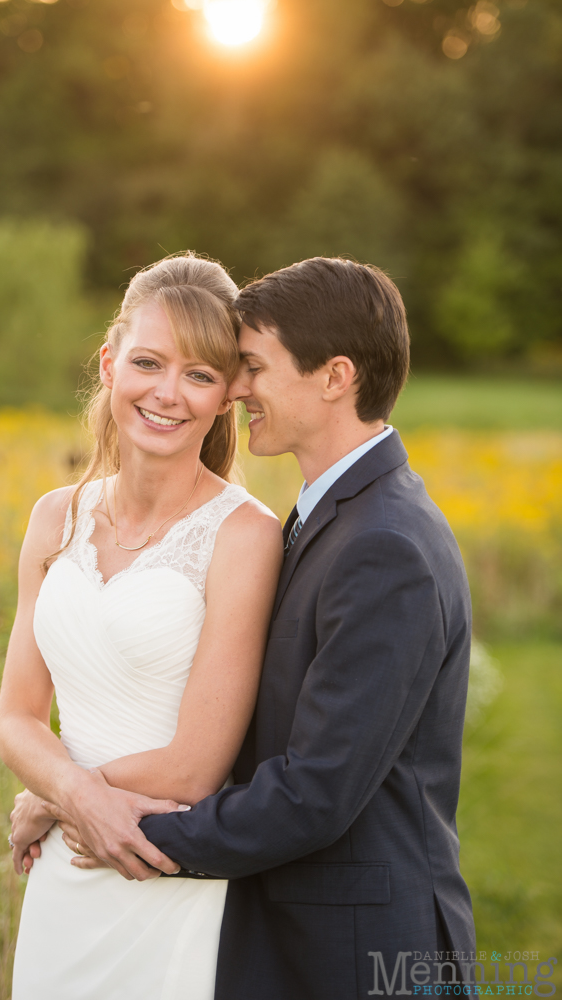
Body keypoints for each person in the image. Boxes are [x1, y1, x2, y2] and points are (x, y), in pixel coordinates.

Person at [55, 257, 476, 1000]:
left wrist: (111, 824)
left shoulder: (386, 545)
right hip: (302, 938)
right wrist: (73, 790)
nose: (238, 388)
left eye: (253, 367)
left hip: (362, 954)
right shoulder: (336, 515)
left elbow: (314, 791)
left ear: (334, 376)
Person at [0, 253, 283, 1000]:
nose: (167, 394)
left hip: (164, 871)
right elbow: (16, 717)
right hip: (65, 871)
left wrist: (58, 796)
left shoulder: (244, 535)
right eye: (148, 363)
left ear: (227, 394)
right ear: (109, 362)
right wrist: (68, 794)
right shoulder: (54, 516)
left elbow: (193, 765)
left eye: (199, 374)